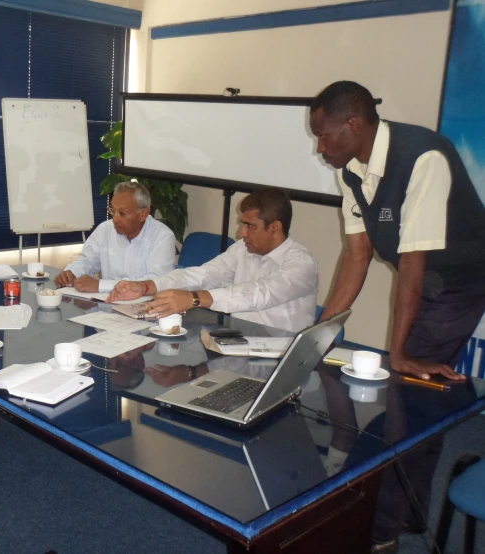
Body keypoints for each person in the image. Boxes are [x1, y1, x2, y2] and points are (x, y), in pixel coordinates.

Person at [308, 81, 485, 552]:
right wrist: (319, 333)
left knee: (402, 403)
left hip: (460, 282)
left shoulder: (423, 156)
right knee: (413, 403)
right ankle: (407, 513)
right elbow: (357, 255)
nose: (320, 147)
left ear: (354, 123)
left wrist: (400, 352)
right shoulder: (349, 171)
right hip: (425, 278)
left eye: (325, 137)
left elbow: (414, 261)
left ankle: (379, 531)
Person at [107, 188, 318, 333]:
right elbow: (204, 275)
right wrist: (147, 287)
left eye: (250, 226)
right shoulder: (242, 250)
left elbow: (258, 294)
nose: (241, 232)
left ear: (275, 227)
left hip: (283, 358)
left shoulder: (301, 264)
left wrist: (193, 299)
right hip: (238, 347)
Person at [54, 181, 175, 293]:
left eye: (122, 213)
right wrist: (71, 272)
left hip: (145, 307)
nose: (115, 219)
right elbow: (87, 261)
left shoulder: (162, 236)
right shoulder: (105, 229)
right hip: (107, 305)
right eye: (113, 210)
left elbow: (155, 282)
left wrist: (100, 285)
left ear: (143, 213)